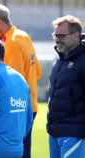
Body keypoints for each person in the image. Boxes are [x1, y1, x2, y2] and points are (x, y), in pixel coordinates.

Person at [0, 4, 42, 158]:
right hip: (30, 104)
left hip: (16, 107)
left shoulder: (11, 43)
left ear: (0, 23)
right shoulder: (23, 36)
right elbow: (38, 72)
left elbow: (12, 83)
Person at [47, 15, 85, 158]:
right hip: (54, 132)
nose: (57, 39)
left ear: (76, 35)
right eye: (55, 35)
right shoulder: (58, 60)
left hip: (74, 134)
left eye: (61, 35)